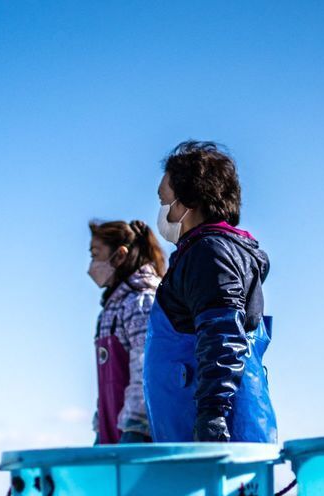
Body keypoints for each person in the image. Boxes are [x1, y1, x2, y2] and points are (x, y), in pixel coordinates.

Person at [144, 141, 276, 443]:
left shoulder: (209, 254)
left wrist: (211, 415)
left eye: (164, 200)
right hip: (192, 435)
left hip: (212, 440)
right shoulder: (207, 252)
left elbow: (223, 333)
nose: (162, 211)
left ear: (188, 202)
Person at [87, 220, 164, 444]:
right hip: (113, 435)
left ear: (120, 255)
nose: (91, 265)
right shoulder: (111, 308)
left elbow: (145, 371)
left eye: (95, 254)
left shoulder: (142, 301)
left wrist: (135, 428)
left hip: (138, 440)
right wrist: (100, 427)